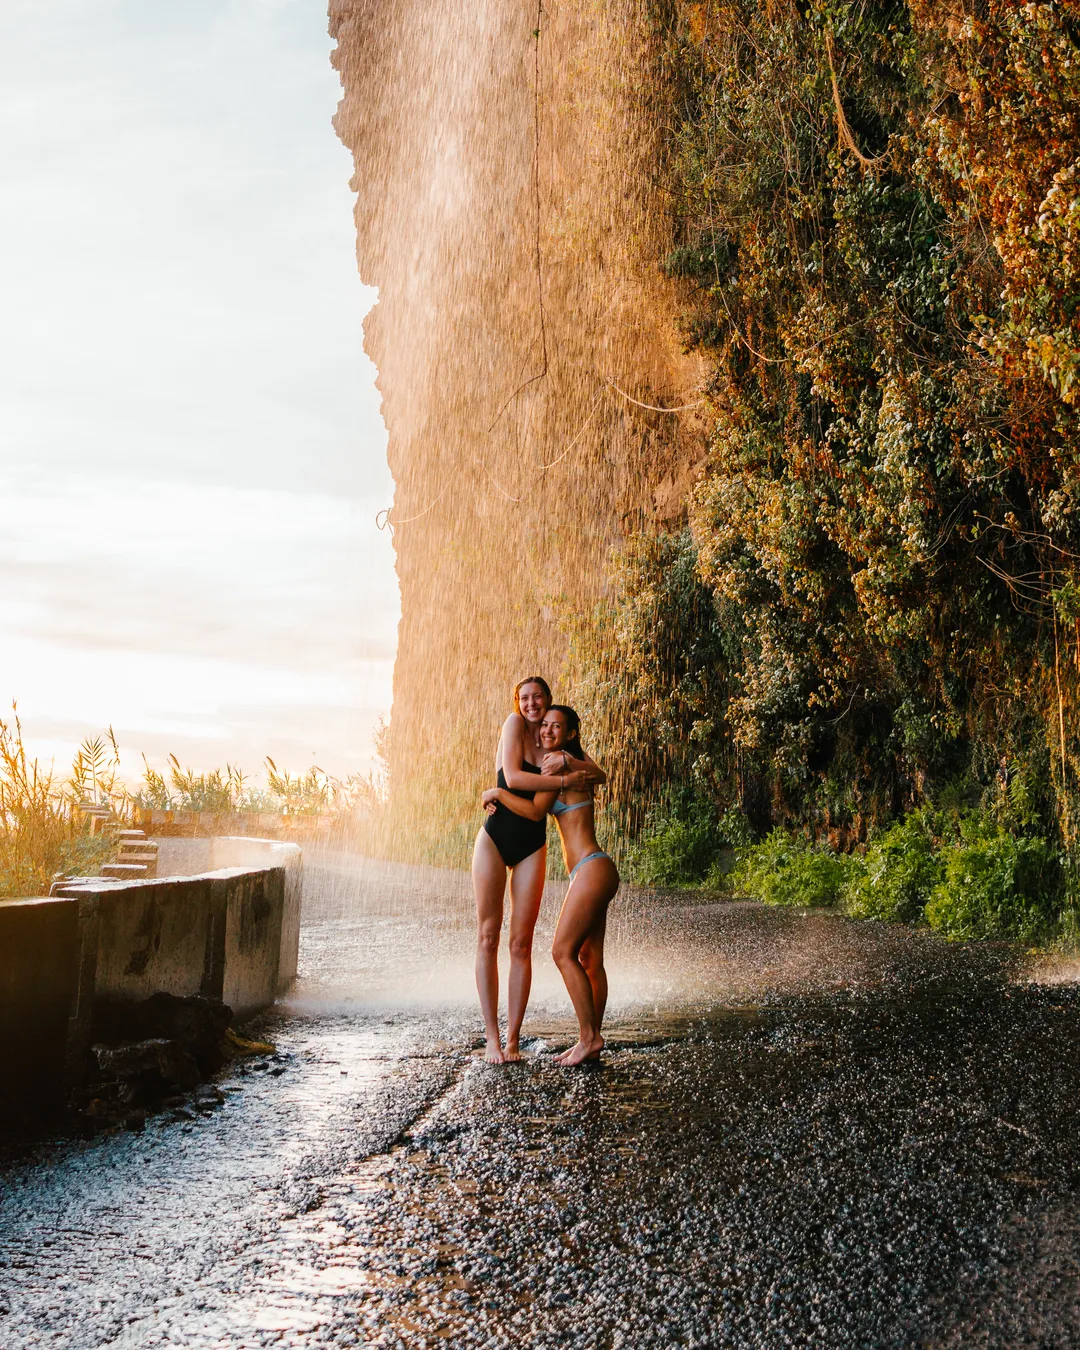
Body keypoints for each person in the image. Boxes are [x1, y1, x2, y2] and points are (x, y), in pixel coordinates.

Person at [483, 704, 618, 1065]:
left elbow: (532, 811)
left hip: (591, 869)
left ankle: (590, 1037)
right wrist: (566, 766)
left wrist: (495, 794)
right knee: (591, 959)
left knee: (562, 952)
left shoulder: (564, 761)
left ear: (570, 733)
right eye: (544, 725)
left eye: (557, 726)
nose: (548, 730)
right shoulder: (569, 762)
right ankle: (589, 1038)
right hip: (596, 868)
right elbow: (600, 774)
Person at [472, 677, 590, 1064]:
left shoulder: (555, 751)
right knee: (488, 935)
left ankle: (512, 1041)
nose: (530, 703)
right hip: (493, 839)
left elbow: (538, 810)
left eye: (537, 697)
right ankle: (491, 1036)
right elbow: (514, 775)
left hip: (531, 846)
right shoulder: (513, 725)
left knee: (521, 945)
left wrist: (563, 775)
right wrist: (562, 780)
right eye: (524, 697)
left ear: (549, 702)